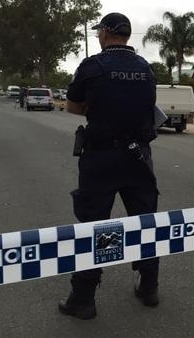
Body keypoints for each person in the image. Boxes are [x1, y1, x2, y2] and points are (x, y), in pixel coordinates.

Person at [58, 12, 160, 320]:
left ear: (106, 32)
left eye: (99, 31)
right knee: (144, 223)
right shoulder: (147, 69)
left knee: (95, 227)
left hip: (101, 158)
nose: (98, 36)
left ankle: (83, 299)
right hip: (138, 157)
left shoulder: (92, 66)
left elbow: (73, 106)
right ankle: (149, 287)